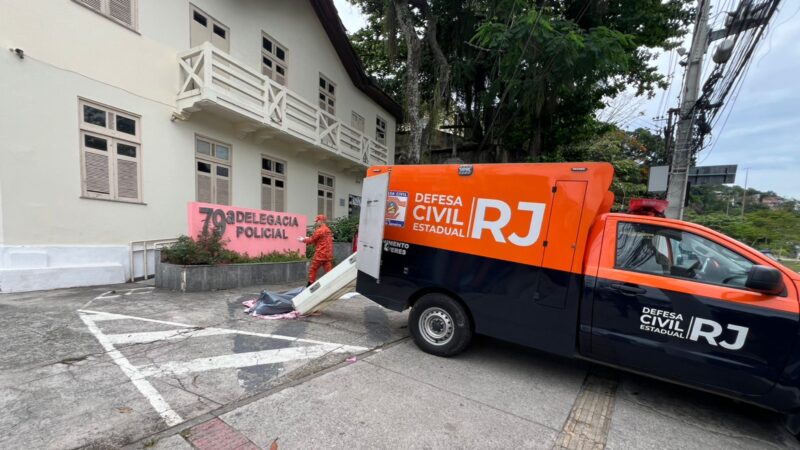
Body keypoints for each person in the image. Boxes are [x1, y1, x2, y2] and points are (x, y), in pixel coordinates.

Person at [298, 214, 334, 285]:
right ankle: (332, 284)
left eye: (317, 221)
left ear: (321, 221)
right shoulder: (329, 230)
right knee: (329, 272)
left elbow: (311, 240)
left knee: (313, 269)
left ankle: (310, 285)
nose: (316, 223)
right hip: (328, 255)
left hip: (320, 254)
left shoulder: (319, 230)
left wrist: (303, 240)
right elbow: (320, 240)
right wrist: (308, 238)